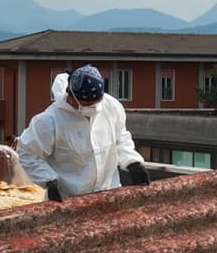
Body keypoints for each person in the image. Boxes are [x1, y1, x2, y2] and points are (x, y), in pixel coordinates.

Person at [16, 64, 149, 201]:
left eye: (97, 103)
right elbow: (28, 154)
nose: (94, 108)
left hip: (108, 194)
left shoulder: (111, 106)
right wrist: (49, 180)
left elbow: (120, 138)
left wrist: (132, 162)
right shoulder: (49, 121)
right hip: (68, 199)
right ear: (72, 97)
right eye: (88, 104)